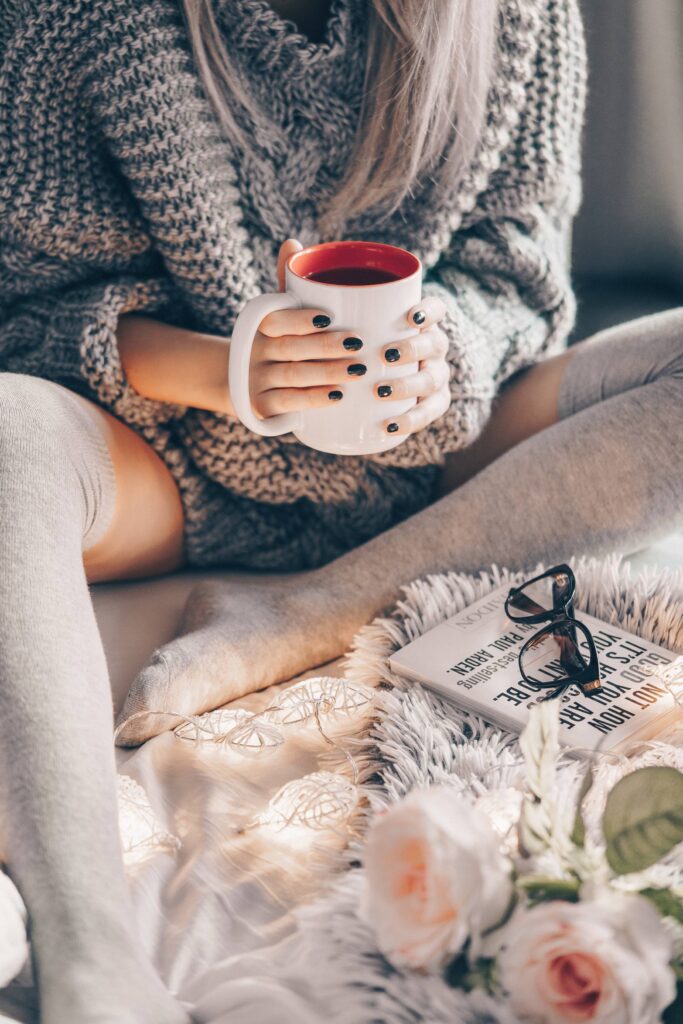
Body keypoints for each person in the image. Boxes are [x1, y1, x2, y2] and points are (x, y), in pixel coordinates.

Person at [0, 0, 681, 1020]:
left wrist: (444, 350)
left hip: (436, 456)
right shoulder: (75, 22)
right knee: (8, 432)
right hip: (164, 458)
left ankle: (308, 609)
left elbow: (520, 272)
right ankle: (88, 951)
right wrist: (228, 372)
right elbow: (27, 310)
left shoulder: (516, 15)